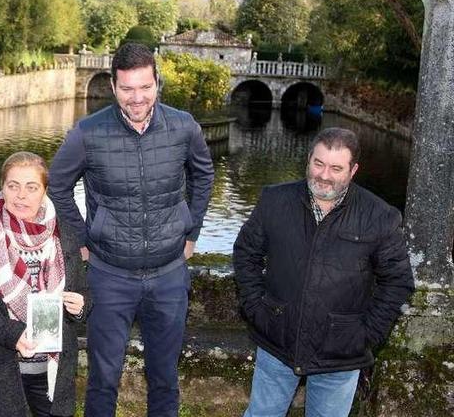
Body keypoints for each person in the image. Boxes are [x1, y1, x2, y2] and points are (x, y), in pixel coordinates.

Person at [48, 42, 214, 416]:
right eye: (127, 89)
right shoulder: (87, 133)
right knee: (104, 378)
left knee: (165, 376)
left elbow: (203, 174)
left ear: (157, 81)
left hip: (169, 274)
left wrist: (192, 229)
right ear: (113, 85)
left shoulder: (183, 126)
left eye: (145, 86)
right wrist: (82, 239)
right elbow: (57, 187)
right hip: (110, 276)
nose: (137, 98)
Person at [233, 127, 415, 417]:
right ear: (308, 160)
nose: (324, 175)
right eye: (318, 164)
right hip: (276, 339)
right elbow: (246, 254)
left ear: (353, 170)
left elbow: (398, 282)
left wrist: (366, 335)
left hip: (340, 353)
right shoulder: (275, 200)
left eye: (336, 168)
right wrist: (257, 308)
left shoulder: (380, 216)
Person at [0, 151, 91, 417]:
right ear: (2, 188)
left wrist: (80, 307)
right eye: (13, 186)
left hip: (52, 376)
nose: (21, 195)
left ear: (44, 191)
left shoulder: (65, 238)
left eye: (31, 187)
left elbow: (84, 295)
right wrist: (11, 333)